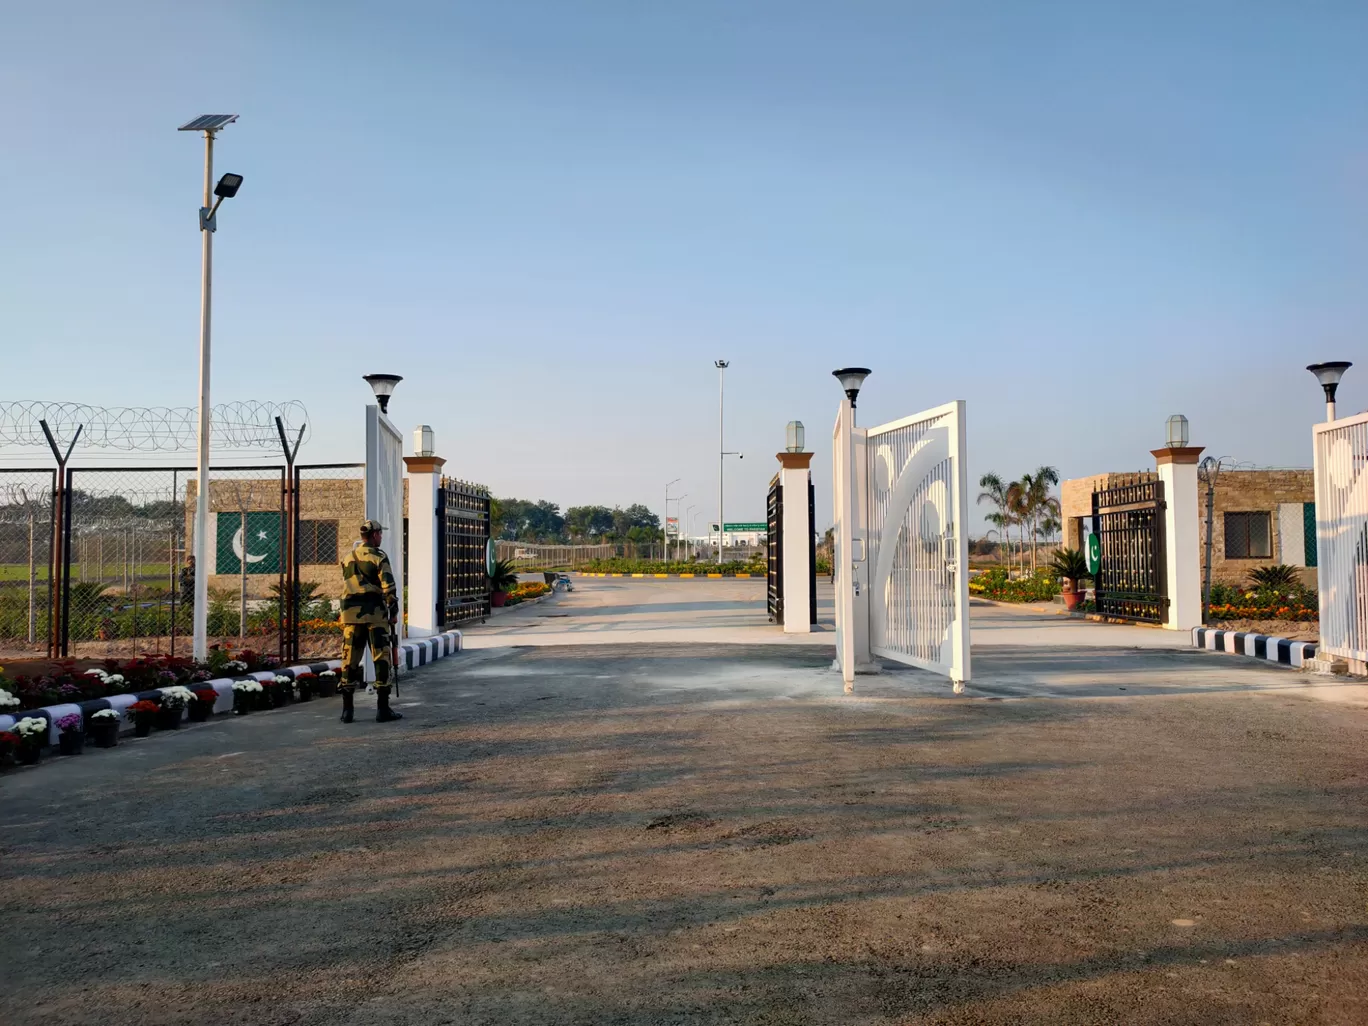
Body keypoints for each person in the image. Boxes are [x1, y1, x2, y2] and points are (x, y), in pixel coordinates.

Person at [338, 519, 401, 724]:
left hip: (350, 616)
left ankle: (347, 711)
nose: (381, 537)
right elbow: (388, 587)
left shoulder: (348, 557)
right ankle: (383, 709)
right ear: (374, 535)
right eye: (380, 534)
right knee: (381, 658)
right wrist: (393, 610)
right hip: (375, 614)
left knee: (350, 660)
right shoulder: (378, 556)